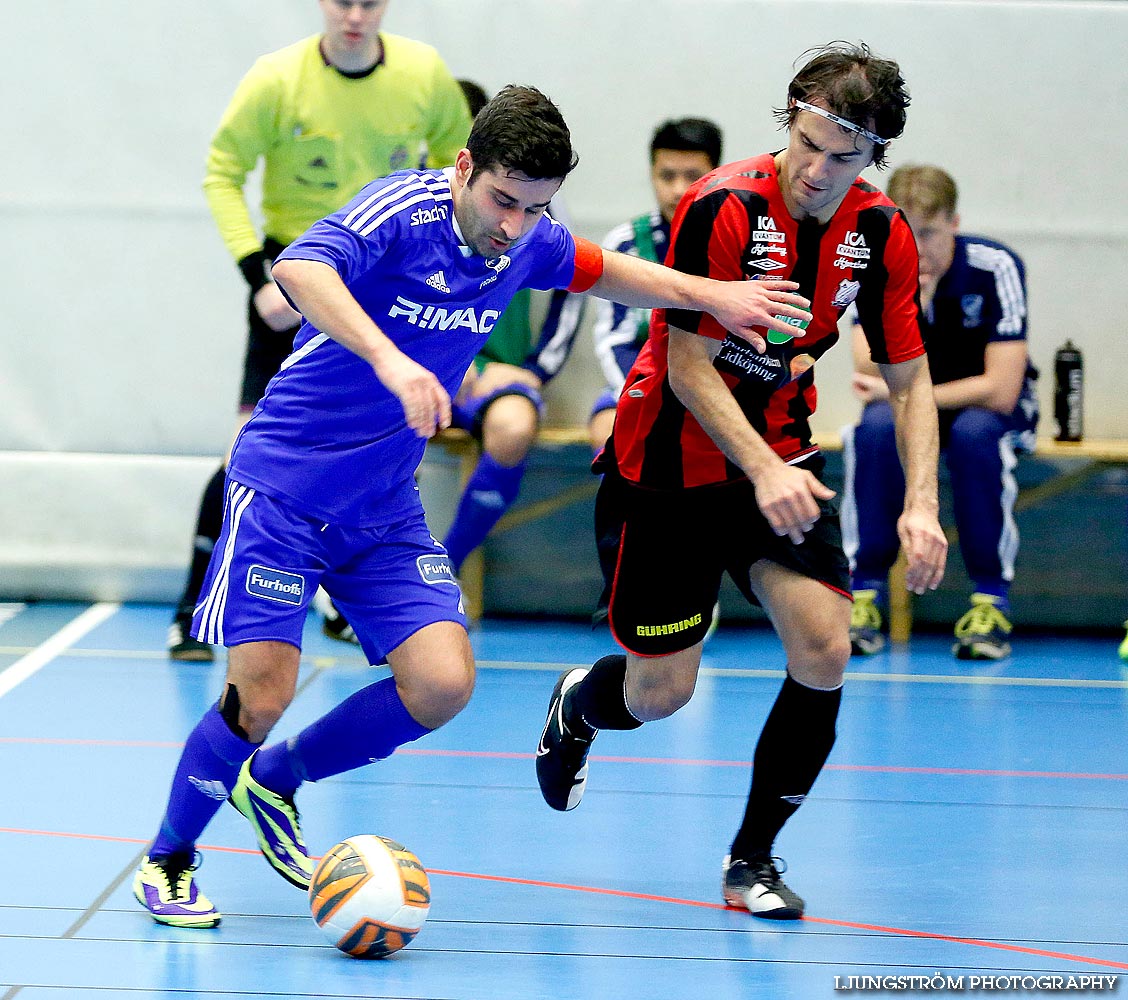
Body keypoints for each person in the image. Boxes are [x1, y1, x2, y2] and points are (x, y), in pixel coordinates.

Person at [133, 84, 813, 928]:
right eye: (502, 200)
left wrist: (713, 296)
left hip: (381, 507)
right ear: (464, 168)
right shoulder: (406, 210)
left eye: (537, 209)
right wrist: (390, 360)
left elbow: (610, 273)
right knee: (259, 696)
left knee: (443, 683)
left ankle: (274, 781)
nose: (515, 226)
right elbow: (298, 267)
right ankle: (169, 857)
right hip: (283, 489)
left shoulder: (526, 240)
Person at [534, 43, 948, 921]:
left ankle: (751, 860)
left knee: (826, 645)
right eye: (806, 144)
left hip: (782, 456)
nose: (817, 170)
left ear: (873, 158)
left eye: (843, 158)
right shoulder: (719, 204)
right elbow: (686, 365)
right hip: (671, 468)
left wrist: (921, 504)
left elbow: (911, 380)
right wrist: (758, 470)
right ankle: (581, 702)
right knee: (661, 694)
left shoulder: (881, 234)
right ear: (788, 121)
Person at [167, 0, 473, 661]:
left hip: (386, 292)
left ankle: (350, 600)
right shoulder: (277, 78)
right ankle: (193, 605)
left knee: (382, 449)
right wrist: (259, 274)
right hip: (298, 279)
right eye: (342, 1)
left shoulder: (423, 74)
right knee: (250, 448)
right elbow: (221, 173)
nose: (355, 16)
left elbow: (462, 174)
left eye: (369, 2)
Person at [842, 165, 1037, 660]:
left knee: (975, 437)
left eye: (927, 232)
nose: (916, 247)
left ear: (954, 223)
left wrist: (908, 393)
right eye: (905, 233)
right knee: (875, 430)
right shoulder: (876, 264)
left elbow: (1001, 390)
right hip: (912, 405)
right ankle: (862, 596)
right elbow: (866, 361)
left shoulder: (996, 266)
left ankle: (990, 602)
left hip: (982, 414)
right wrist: (912, 304)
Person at [440, 80, 587, 576]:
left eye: (530, 211)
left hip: (493, 371)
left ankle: (445, 568)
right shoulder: (407, 197)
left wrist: (532, 371)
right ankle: (344, 583)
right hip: (412, 367)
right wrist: (430, 365)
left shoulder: (530, 200)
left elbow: (585, 280)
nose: (512, 226)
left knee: (513, 426)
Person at [588, 118, 724, 452]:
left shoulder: (734, 239)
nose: (678, 189)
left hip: (719, 385)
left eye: (692, 176)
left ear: (716, 174)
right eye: (667, 176)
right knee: (607, 430)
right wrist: (650, 396)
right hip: (638, 386)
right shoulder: (625, 244)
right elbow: (613, 340)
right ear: (652, 175)